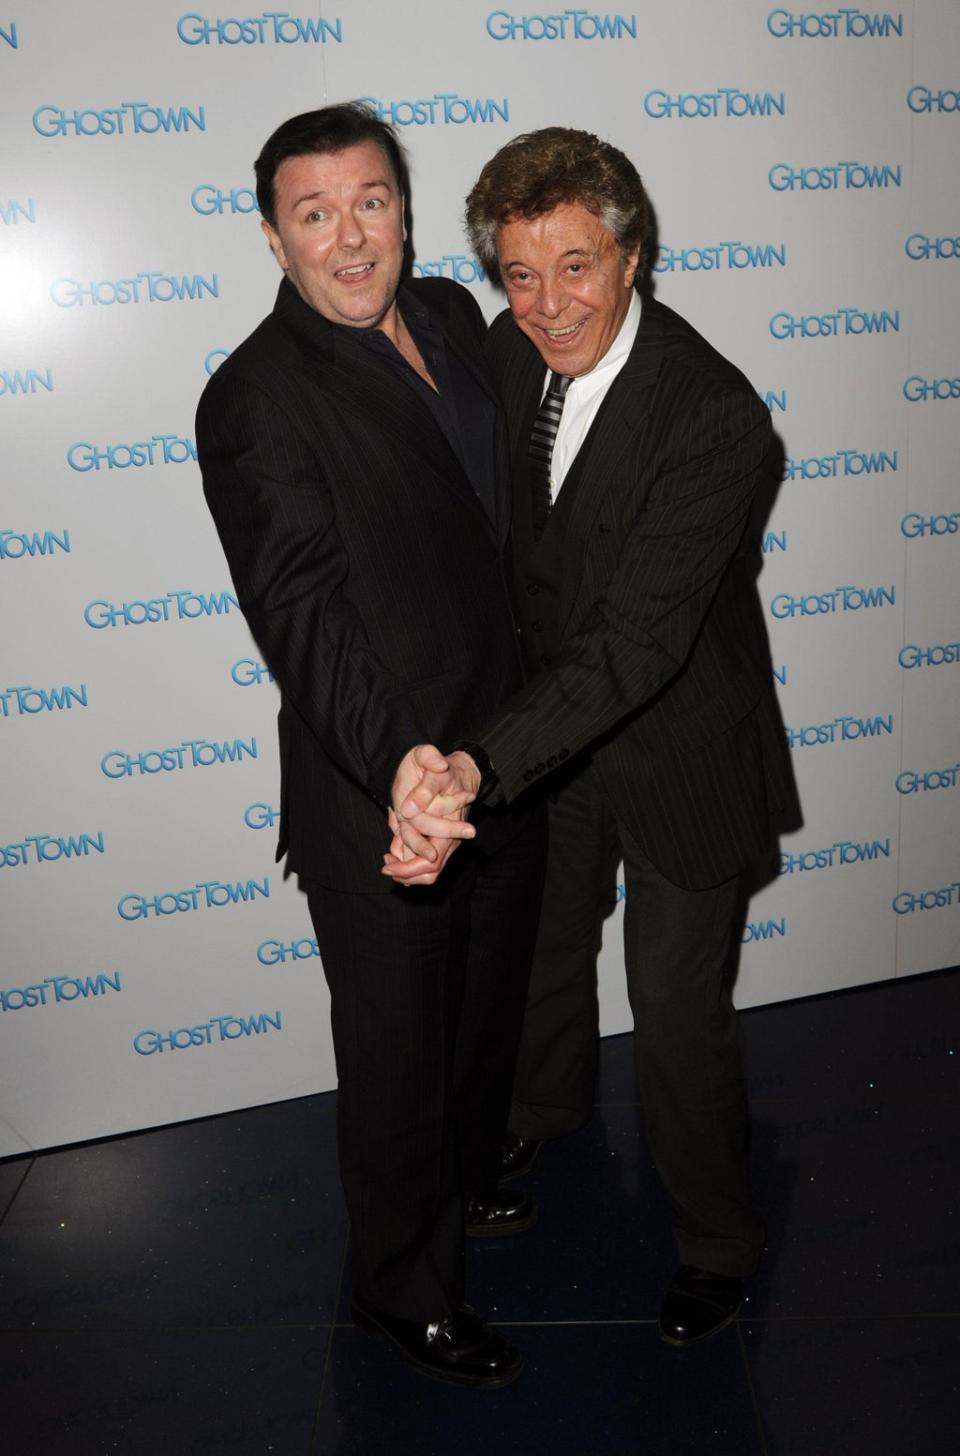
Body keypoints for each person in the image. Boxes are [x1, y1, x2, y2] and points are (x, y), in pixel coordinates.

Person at [386, 126, 798, 1347]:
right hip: (551, 741)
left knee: (676, 1017)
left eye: (574, 266)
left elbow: (636, 645)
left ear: (631, 255)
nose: (547, 303)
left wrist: (479, 761)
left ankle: (718, 1238)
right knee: (544, 952)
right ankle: (543, 1110)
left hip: (680, 743)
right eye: (520, 273)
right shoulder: (506, 355)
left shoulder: (716, 416)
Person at [195, 104, 546, 1389]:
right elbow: (304, 614)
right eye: (315, 212)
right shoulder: (253, 398)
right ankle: (405, 1286)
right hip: (381, 790)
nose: (352, 237)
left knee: (481, 1019)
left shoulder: (453, 317)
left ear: (405, 206)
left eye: (373, 202)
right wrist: (401, 764)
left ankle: (461, 1183)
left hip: (503, 762)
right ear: (275, 237)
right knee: (398, 1055)